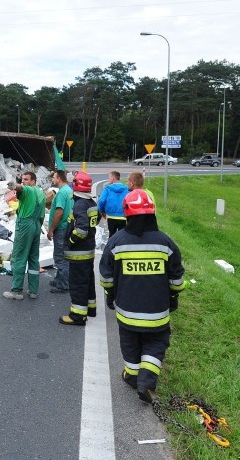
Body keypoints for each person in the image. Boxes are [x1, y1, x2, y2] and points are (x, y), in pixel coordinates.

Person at [99, 190, 185, 403]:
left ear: (127, 214)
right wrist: (173, 298)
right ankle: (146, 380)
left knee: (130, 344)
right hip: (157, 313)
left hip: (127, 313)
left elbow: (106, 277)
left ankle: (133, 375)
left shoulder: (116, 242)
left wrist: (110, 295)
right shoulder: (166, 243)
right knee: (156, 343)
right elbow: (177, 279)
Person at [59, 171, 99, 326]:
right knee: (87, 281)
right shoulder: (91, 203)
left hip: (79, 253)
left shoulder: (80, 204)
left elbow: (81, 230)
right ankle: (89, 309)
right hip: (88, 251)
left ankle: (77, 316)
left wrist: (70, 240)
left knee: (78, 283)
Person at [3, 172, 45, 300]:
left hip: (25, 225)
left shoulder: (28, 190)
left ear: (33, 181)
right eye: (22, 179)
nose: (24, 182)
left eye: (26, 179)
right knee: (33, 258)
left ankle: (16, 290)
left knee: (19, 257)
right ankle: (33, 290)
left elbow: (21, 188)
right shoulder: (40, 192)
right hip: (36, 225)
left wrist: (15, 186)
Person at [46, 170, 74, 293]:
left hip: (61, 228)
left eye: (54, 177)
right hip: (67, 227)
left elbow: (59, 212)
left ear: (59, 178)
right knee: (63, 254)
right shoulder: (68, 190)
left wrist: (51, 229)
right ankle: (59, 279)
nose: (52, 179)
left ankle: (63, 284)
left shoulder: (62, 193)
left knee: (60, 256)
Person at [97, 171, 128, 237]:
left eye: (109, 178)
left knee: (111, 235)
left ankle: (111, 247)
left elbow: (102, 200)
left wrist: (102, 211)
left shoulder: (107, 189)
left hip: (111, 216)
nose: (108, 180)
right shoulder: (126, 189)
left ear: (113, 178)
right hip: (123, 216)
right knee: (121, 236)